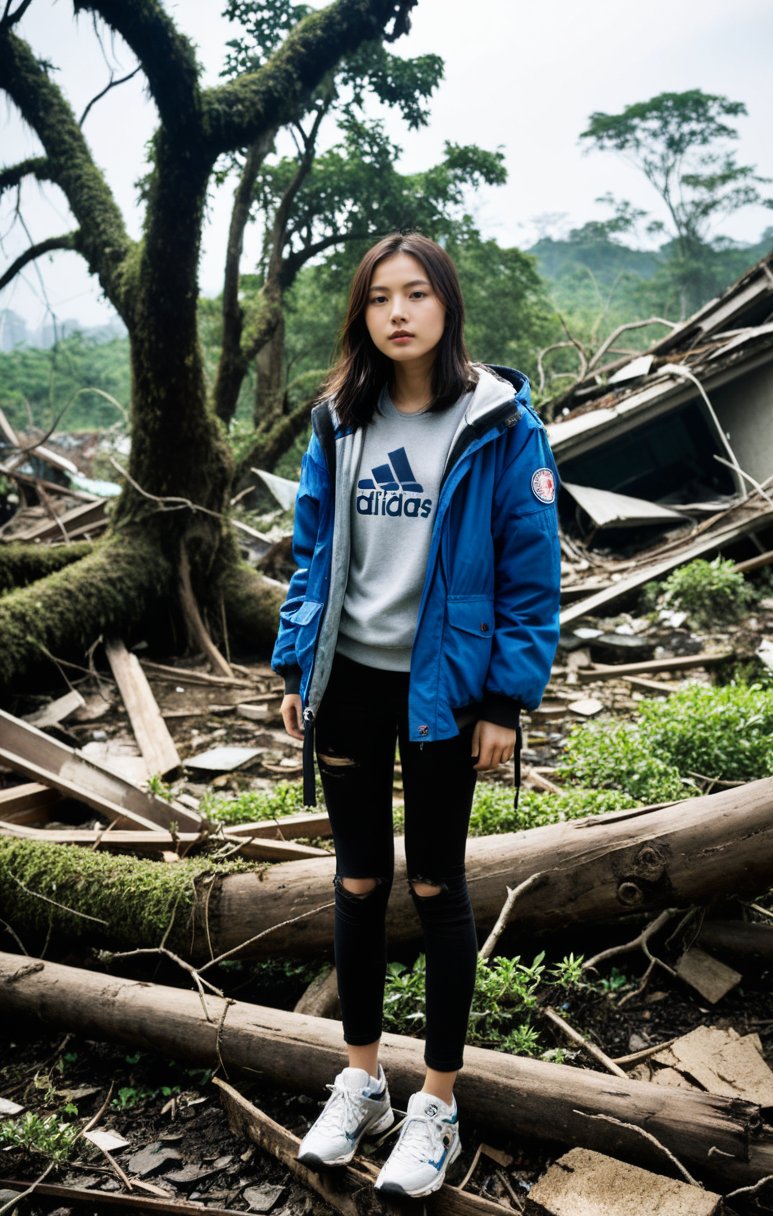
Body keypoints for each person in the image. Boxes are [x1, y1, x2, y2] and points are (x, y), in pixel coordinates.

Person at [272, 232, 560, 1199]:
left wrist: (506, 699)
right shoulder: (338, 420)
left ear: (447, 306)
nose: (397, 313)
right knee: (357, 883)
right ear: (362, 314)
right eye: (379, 298)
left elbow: (531, 573)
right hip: (348, 681)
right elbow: (312, 553)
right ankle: (361, 1079)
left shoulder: (499, 423)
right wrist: (294, 665)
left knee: (435, 888)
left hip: (447, 689)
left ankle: (436, 1100)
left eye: (416, 295)